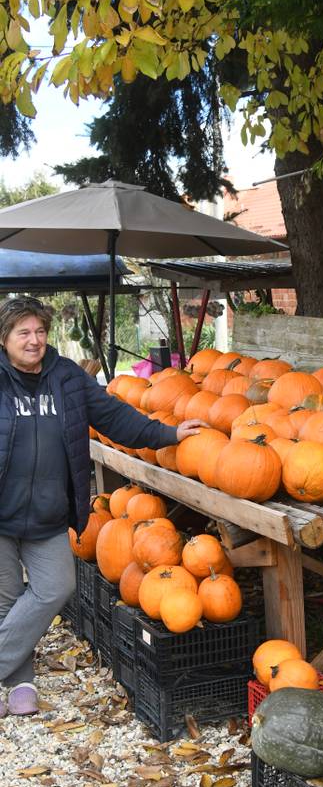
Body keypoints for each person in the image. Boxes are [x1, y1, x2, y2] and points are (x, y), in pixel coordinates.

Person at [0, 295, 205, 718]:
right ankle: (21, 681)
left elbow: (114, 417)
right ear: (5, 339)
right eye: (23, 332)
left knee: (57, 588)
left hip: (51, 514)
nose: (34, 340)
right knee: (6, 602)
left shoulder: (67, 378)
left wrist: (168, 434)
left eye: (40, 330)